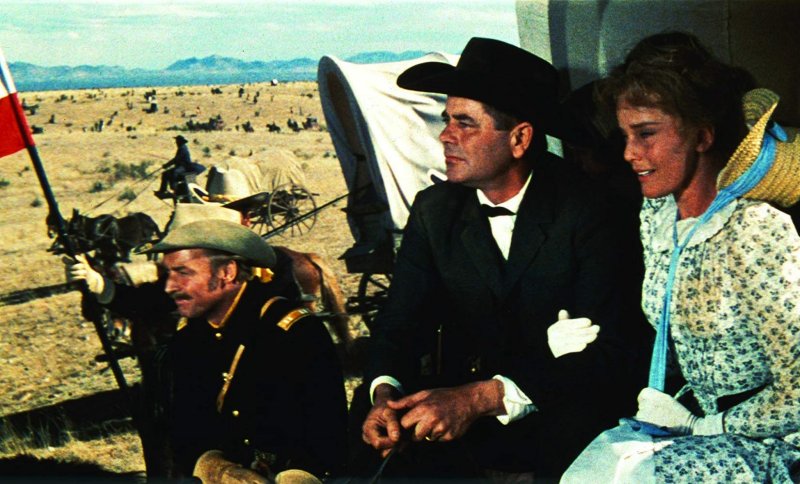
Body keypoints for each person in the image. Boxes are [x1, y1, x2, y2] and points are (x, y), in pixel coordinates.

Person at [357, 37, 647, 480]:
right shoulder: (435, 210)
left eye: (465, 123)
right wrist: (386, 393)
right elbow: (400, 322)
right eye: (446, 120)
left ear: (520, 138)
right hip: (460, 434)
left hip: (568, 427)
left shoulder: (591, 210)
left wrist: (479, 398)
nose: (446, 135)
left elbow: (611, 353)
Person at [566, 32, 800, 482]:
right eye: (625, 135)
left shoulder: (755, 230)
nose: (629, 153)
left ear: (702, 135)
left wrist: (703, 426)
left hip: (774, 443)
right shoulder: (657, 213)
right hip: (697, 422)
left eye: (646, 134)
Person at [66, 216, 348, 482]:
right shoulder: (188, 341)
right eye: (168, 274)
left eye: (183, 273)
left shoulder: (291, 333)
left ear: (227, 272)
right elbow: (187, 435)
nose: (170, 287)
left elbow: (327, 435)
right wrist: (215, 467)